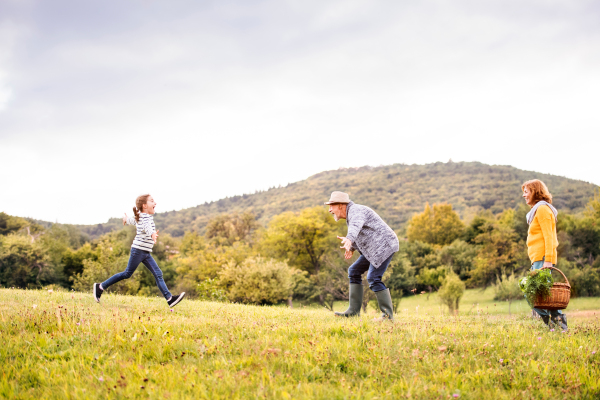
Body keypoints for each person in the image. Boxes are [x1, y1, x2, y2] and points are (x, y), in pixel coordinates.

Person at [93, 194, 185, 308]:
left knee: (158, 274)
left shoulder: (141, 216)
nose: (155, 203)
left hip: (145, 252)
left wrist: (126, 219)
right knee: (127, 273)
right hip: (138, 251)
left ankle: (170, 299)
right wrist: (152, 234)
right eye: (152, 201)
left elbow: (134, 220)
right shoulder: (145, 218)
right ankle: (100, 287)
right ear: (145, 205)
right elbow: (148, 228)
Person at [325, 191, 399, 321]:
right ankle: (353, 311)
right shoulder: (351, 214)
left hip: (384, 246)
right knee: (354, 271)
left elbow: (355, 227)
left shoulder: (356, 211)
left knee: (373, 277)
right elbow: (363, 232)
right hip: (373, 249)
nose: (330, 210)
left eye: (332, 206)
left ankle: (388, 317)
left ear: (341, 205)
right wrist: (352, 246)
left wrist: (349, 239)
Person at [522, 179, 567, 330]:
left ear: (535, 191)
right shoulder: (537, 210)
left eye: (526, 192)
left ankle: (558, 327)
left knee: (535, 295)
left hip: (543, 259)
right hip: (538, 259)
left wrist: (548, 260)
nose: (524, 195)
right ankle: (556, 328)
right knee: (542, 297)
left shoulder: (542, 210)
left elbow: (550, 237)